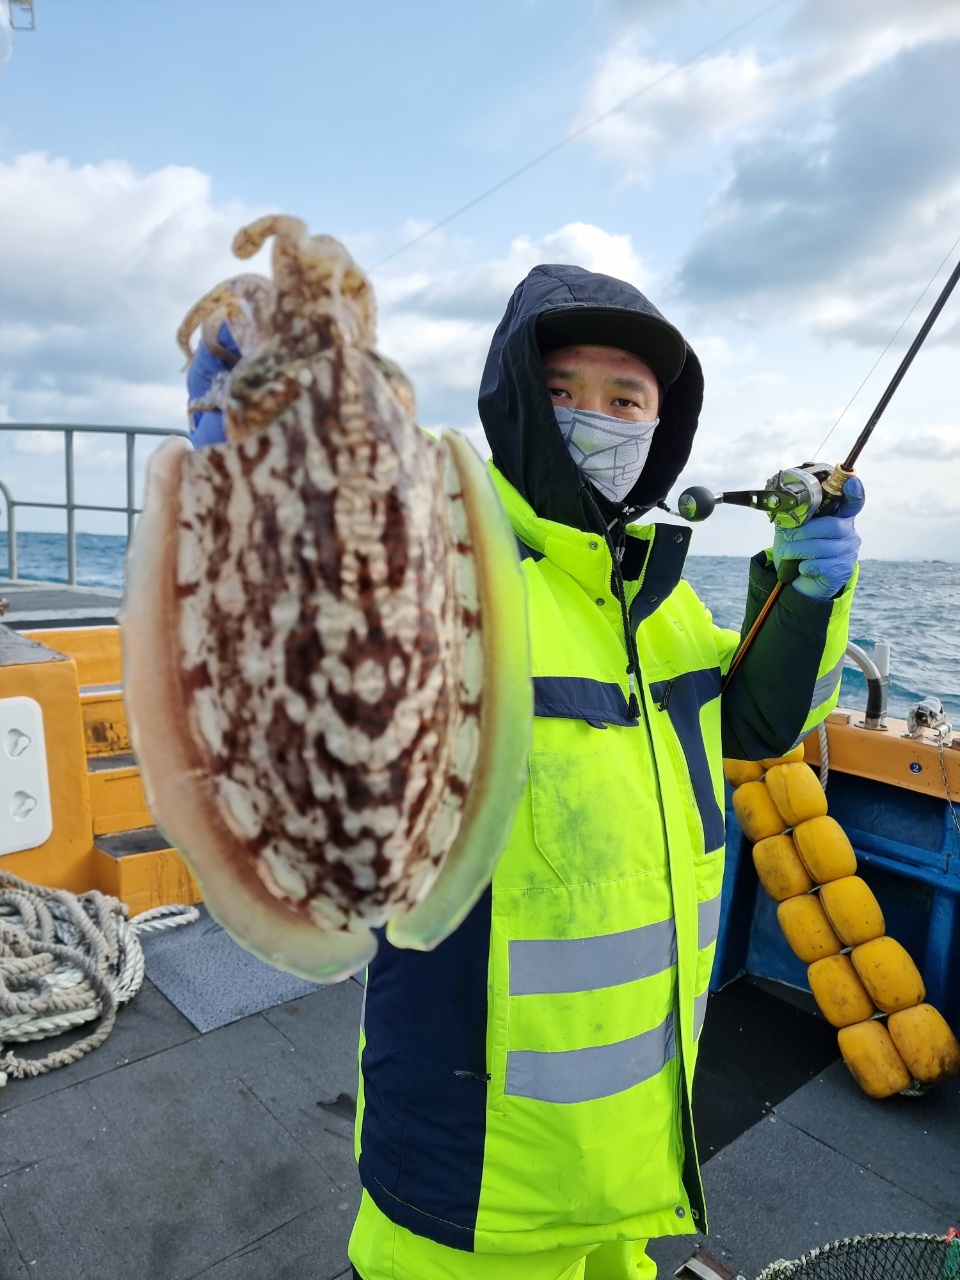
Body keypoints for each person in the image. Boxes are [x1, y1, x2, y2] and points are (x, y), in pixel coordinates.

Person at [187, 263, 862, 1280]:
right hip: (477, 1180)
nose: (596, 418)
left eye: (627, 399)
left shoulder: (661, 600)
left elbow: (761, 721)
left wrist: (807, 593)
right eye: (561, 390)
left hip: (635, 1154)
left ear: (664, 425)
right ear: (514, 403)